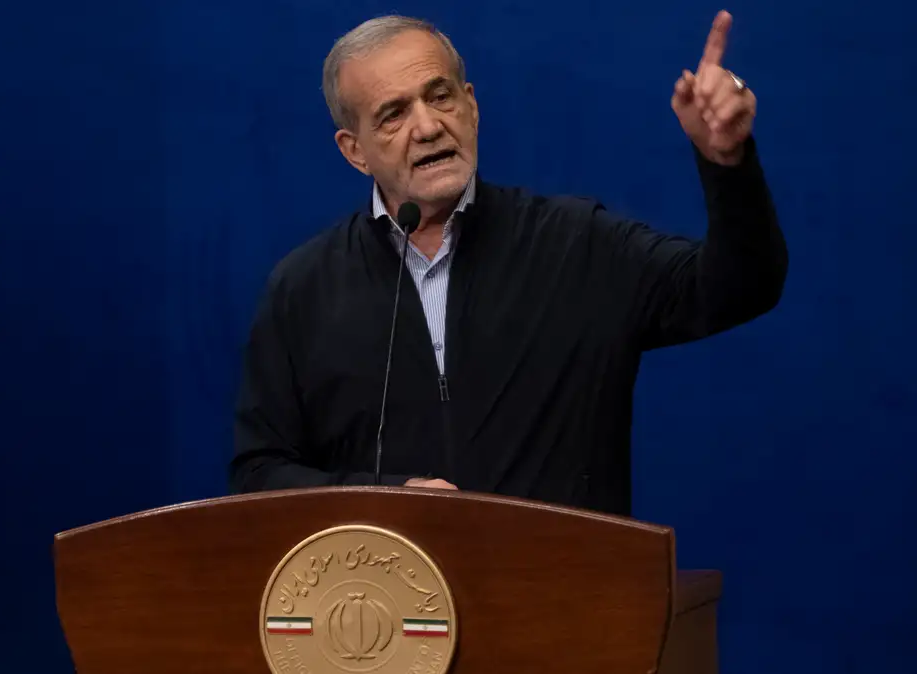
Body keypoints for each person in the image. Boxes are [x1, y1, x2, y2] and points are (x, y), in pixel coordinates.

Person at [229, 10, 787, 517]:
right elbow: (260, 475)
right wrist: (388, 498)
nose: (428, 126)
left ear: (471, 106)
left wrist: (728, 163)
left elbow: (742, 286)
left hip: (563, 588)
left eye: (440, 96)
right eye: (394, 114)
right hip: (389, 594)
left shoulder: (576, 244)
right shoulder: (302, 289)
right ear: (355, 150)